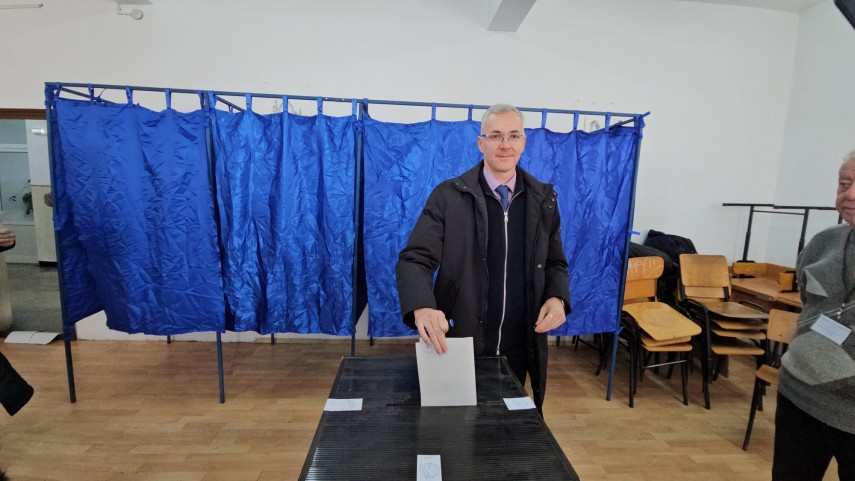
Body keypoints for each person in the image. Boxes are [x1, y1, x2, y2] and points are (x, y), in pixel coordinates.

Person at [395, 103, 571, 412]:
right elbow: (415, 259)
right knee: (455, 425)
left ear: (523, 142)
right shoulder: (448, 196)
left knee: (506, 426)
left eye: (513, 135)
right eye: (496, 135)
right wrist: (422, 306)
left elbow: (555, 262)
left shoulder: (543, 199)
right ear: (481, 143)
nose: (505, 144)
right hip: (459, 339)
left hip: (520, 343)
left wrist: (557, 298)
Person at [774, 151, 855, 481]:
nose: (849, 194)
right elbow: (809, 301)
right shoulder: (824, 243)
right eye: (844, 184)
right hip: (800, 395)